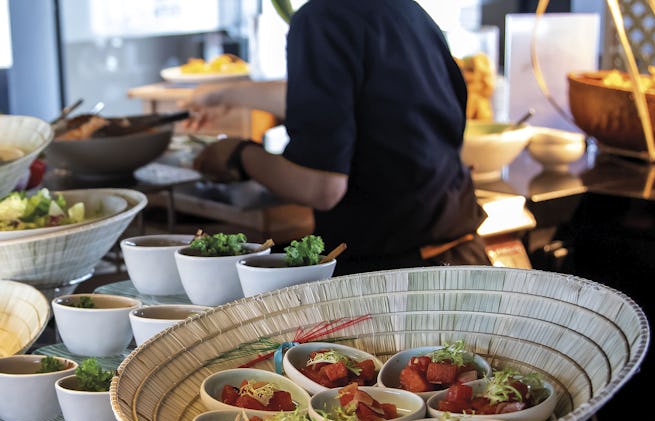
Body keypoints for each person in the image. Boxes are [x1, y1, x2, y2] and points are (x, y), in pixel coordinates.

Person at [185, 0, 491, 275]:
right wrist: (227, 94)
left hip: (397, 276)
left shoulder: (320, 18)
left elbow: (322, 186)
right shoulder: (408, 11)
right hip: (463, 259)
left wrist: (239, 154)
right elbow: (341, 99)